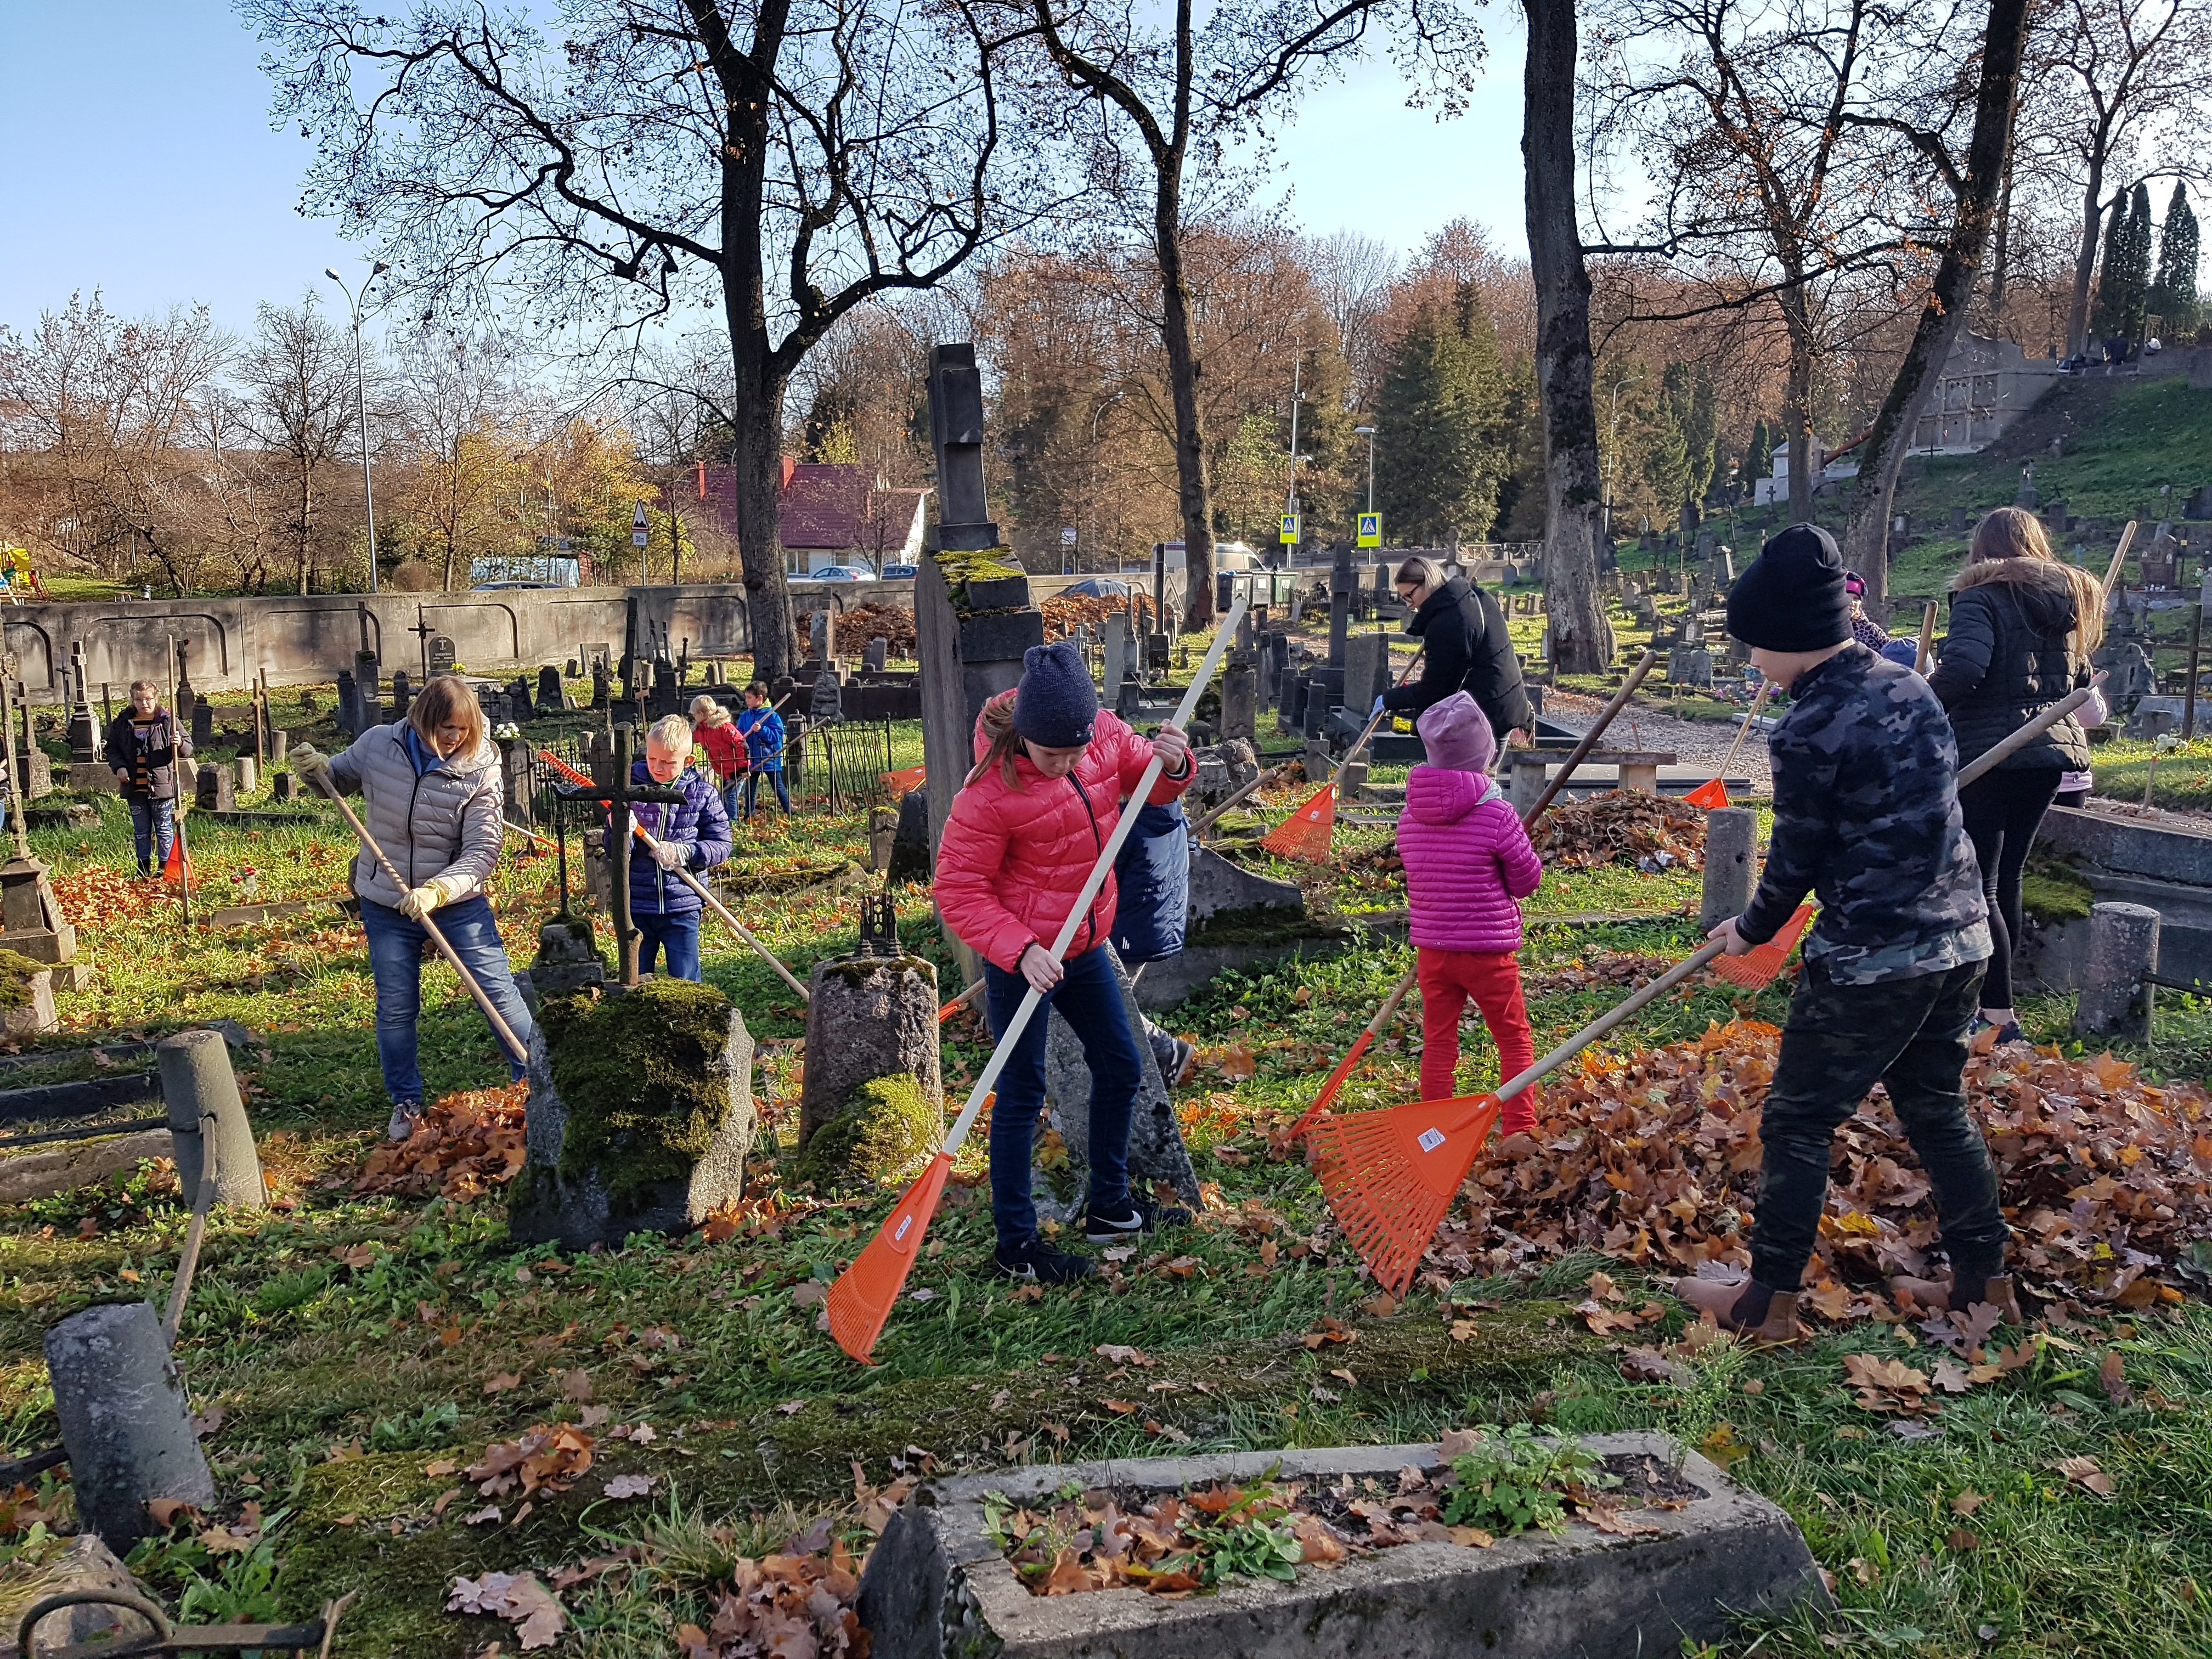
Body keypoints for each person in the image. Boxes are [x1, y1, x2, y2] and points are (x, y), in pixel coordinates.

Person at [1679, 524, 2008, 1341]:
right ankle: (1984, 1283)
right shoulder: (1910, 686)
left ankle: (1768, 1303)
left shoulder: (1808, 728)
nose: (1752, 662)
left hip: (1874, 958)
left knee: (1797, 1120)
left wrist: (1749, 928)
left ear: (1790, 639)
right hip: (1963, 939)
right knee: (1936, 1107)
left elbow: (1794, 861)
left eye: (1755, 647)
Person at [934, 641, 1196, 1284]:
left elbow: (1151, 784)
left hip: (1084, 946)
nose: (1069, 763)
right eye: (1054, 754)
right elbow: (958, 890)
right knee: (1022, 1094)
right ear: (1025, 737)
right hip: (1022, 958)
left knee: (1121, 1063)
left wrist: (1176, 761)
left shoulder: (1102, 739)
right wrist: (1019, 949)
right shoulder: (988, 794)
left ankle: (1110, 1206)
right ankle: (1016, 1246)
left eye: (1076, 751)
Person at [291, 675, 537, 1143]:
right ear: (422, 719)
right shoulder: (379, 745)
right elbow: (337, 781)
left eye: (463, 729)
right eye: (446, 727)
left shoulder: (481, 765)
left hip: (455, 904)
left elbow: (483, 849)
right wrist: (315, 769)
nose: (454, 738)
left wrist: (439, 890)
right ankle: (405, 1102)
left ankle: (534, 1080)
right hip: (385, 899)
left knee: (498, 993)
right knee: (397, 1007)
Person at [1927, 506, 2101, 1046]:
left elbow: (1963, 670)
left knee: (1984, 886)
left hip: (1992, 753)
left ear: (1983, 550)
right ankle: (1988, 1003)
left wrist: (1914, 706)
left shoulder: (1981, 597)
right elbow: (2083, 679)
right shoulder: (2065, 604)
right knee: (2006, 881)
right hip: (2047, 757)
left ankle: (1998, 1018)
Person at [1397, 692, 1542, 1127]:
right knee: (1513, 1039)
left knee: (1439, 1042)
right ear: (1486, 756)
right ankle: (1519, 1128)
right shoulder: (1498, 814)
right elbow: (1526, 881)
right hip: (1487, 953)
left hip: (1434, 953)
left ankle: (1433, 1130)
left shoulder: (1409, 817)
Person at [622, 714, 732, 982]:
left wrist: (688, 853)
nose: (658, 768)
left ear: (688, 761)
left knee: (685, 978)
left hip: (682, 903)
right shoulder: (629, 790)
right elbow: (614, 851)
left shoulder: (701, 794)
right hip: (637, 904)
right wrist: (621, 831)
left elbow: (722, 844)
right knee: (636, 977)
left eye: (669, 763)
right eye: (652, 759)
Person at [1379, 556, 1533, 749]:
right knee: (1480, 778)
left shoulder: (1447, 623)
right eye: (1404, 598)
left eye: (1410, 595)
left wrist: (1389, 699)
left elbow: (1436, 688)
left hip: (1485, 716)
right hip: (1505, 704)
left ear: (1427, 583)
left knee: (1472, 778)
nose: (1409, 604)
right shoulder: (1476, 597)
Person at [1106, 793, 1198, 1089]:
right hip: (1150, 921)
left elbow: (1102, 877)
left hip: (1128, 925)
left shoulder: (1128, 820)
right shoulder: (1167, 808)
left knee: (1105, 1004)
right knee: (1107, 1002)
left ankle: (1163, 1050)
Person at [106, 681, 191, 877]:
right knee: (141, 830)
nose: (144, 704)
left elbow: (188, 748)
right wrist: (119, 767)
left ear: (156, 699)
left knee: (164, 828)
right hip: (134, 787)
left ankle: (165, 868)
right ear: (132, 700)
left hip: (162, 787)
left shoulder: (168, 720)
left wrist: (179, 744)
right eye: (139, 700)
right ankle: (143, 868)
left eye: (148, 699)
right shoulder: (124, 723)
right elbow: (112, 748)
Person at [735, 683, 790, 818]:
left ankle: (789, 811)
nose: (746, 701)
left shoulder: (773, 716)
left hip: (769, 758)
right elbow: (739, 734)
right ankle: (749, 814)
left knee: (778, 787)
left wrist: (762, 730)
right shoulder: (745, 716)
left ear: (760, 698)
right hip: (751, 758)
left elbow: (776, 737)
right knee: (750, 789)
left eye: (749, 698)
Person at [2055, 674, 2110, 808]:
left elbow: (2093, 718)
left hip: (2067, 776)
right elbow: (2093, 718)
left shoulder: (2078, 664)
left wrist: (2085, 682)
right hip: (2066, 771)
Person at [690, 693, 749, 821]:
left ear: (701, 714)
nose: (694, 718)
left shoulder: (723, 727)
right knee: (724, 795)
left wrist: (744, 768)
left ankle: (733, 821)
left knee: (730, 796)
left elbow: (740, 745)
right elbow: (692, 739)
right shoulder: (702, 729)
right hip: (723, 768)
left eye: (694, 715)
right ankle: (725, 818)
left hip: (735, 767)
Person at [1843, 571, 1890, 650]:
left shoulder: (1872, 630)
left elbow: (1891, 652)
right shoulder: (1831, 630)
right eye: (1848, 598)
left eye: (1856, 599)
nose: (1852, 603)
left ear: (1861, 604)